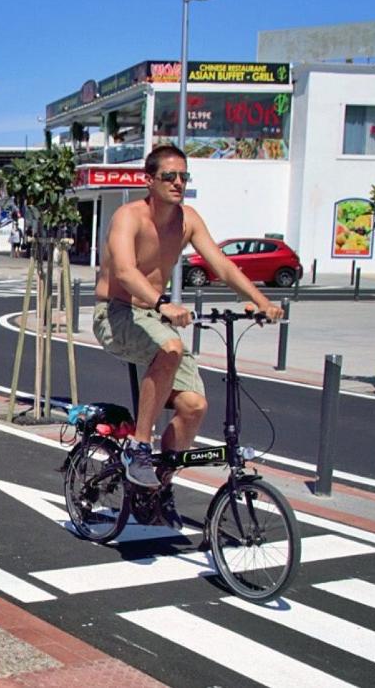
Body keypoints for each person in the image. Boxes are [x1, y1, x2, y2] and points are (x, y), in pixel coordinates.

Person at [93, 144, 284, 495]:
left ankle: (156, 490)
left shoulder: (188, 219)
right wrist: (163, 303)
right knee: (171, 346)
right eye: (169, 176)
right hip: (116, 312)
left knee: (194, 406)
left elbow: (222, 266)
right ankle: (139, 448)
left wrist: (261, 302)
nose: (178, 182)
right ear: (149, 180)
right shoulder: (128, 217)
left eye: (184, 176)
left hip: (153, 316)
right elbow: (125, 271)